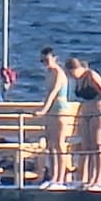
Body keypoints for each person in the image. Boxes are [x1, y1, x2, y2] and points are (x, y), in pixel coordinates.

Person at [65, 56, 101, 191]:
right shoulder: (78, 80)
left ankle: (98, 180)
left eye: (71, 73)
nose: (71, 76)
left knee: (98, 146)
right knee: (87, 146)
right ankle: (88, 179)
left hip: (98, 108)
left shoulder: (91, 76)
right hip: (86, 109)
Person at [35, 47, 73, 189]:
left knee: (59, 144)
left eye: (46, 60)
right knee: (50, 144)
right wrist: (45, 110)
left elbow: (53, 92)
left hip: (60, 110)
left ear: (55, 58)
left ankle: (60, 179)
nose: (45, 63)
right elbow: (47, 94)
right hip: (51, 111)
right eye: (42, 61)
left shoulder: (58, 73)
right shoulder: (49, 74)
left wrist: (43, 110)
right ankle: (53, 176)